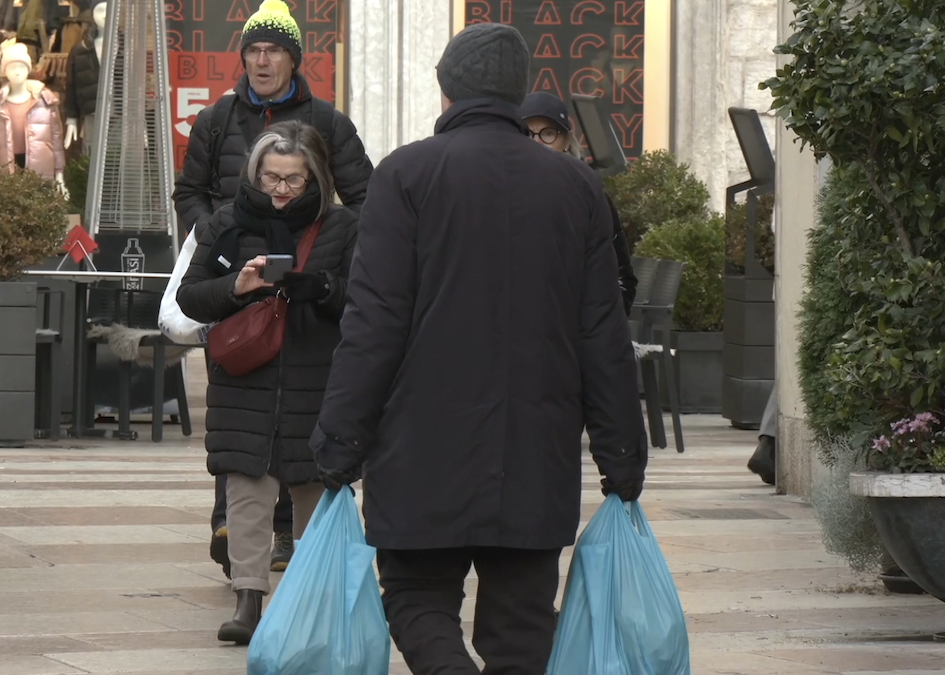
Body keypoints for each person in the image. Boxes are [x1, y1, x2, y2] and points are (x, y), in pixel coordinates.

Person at [310, 23, 648, 673]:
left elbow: (372, 322)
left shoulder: (404, 176)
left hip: (420, 444)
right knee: (521, 625)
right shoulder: (577, 189)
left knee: (414, 597)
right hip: (535, 446)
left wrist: (339, 442)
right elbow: (602, 334)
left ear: (446, 90)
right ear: (519, 93)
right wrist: (621, 455)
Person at [172, 0, 374, 577]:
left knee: (301, 415)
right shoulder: (216, 118)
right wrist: (215, 236)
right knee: (237, 408)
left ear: (293, 58)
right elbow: (190, 190)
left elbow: (365, 196)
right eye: (253, 51)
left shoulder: (329, 123)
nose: (261, 61)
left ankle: (284, 531)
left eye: (273, 50)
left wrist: (340, 243)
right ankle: (229, 524)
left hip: (308, 291)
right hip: (238, 284)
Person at [176, 121, 358, 645]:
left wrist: (319, 287)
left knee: (312, 491)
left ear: (315, 180)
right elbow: (190, 296)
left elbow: (366, 299)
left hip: (317, 377)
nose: (280, 190)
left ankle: (310, 600)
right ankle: (248, 600)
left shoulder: (342, 227)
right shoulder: (228, 222)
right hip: (245, 379)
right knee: (247, 490)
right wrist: (237, 285)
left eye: (293, 180)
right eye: (271, 177)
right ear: (254, 175)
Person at [520, 91, 639, 313]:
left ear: (566, 140)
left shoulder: (589, 196)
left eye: (547, 134)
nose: (536, 143)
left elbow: (622, 280)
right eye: (527, 134)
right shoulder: (502, 197)